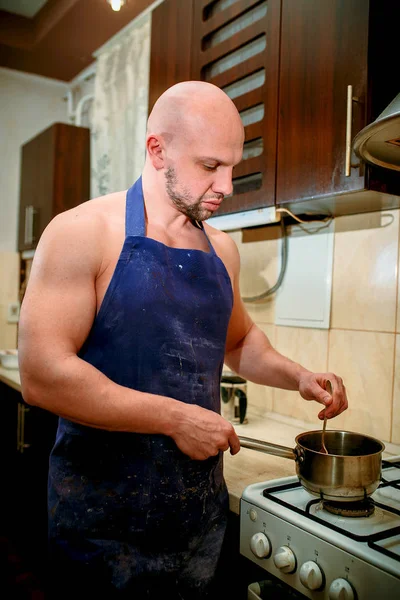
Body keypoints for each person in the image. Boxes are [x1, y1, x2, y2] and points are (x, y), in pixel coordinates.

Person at [18, 81, 348, 599]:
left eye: (233, 166)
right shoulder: (81, 232)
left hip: (196, 523)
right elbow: (42, 375)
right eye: (210, 166)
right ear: (157, 149)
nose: (228, 185)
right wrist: (176, 418)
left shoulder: (222, 250)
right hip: (100, 521)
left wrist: (299, 378)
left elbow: (241, 342)